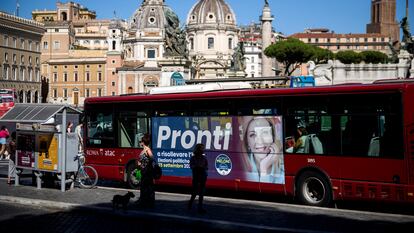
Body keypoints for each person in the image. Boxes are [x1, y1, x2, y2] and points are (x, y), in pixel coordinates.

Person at [241, 117, 284, 183]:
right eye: (253, 135)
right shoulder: (240, 167)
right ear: (247, 143)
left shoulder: (283, 169)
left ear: (273, 137)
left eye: (265, 133)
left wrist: (264, 169)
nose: (260, 141)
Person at [188, 143, 208, 214]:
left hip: (202, 177)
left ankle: (200, 207)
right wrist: (197, 167)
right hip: (196, 177)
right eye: (201, 148)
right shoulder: (193, 158)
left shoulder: (204, 158)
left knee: (201, 193)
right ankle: (190, 203)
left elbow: (206, 167)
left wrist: (203, 168)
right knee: (194, 192)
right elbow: (191, 166)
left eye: (203, 148)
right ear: (198, 149)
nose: (203, 150)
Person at [136, 133, 155, 208]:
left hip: (147, 171)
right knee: (144, 186)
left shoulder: (147, 150)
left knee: (147, 187)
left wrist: (146, 164)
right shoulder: (143, 150)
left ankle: (148, 202)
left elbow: (152, 159)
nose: (140, 143)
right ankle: (144, 201)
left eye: (141, 141)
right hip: (143, 171)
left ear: (143, 142)